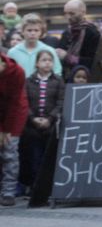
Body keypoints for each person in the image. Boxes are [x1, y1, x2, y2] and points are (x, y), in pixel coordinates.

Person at [19, 51, 64, 195]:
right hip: (32, 127)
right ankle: (34, 187)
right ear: (37, 63)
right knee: (33, 157)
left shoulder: (58, 81)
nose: (47, 63)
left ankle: (48, 187)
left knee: (49, 158)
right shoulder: (28, 81)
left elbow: (61, 102)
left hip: (51, 126)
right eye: (44, 60)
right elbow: (24, 101)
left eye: (50, 60)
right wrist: (33, 118)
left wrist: (49, 119)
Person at [0, 53, 28, 206]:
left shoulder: (17, 72)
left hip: (15, 112)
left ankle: (8, 191)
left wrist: (6, 130)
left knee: (9, 151)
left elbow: (15, 102)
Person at [56, 0, 101, 79]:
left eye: (72, 13)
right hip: (65, 77)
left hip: (84, 78)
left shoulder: (92, 33)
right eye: (65, 13)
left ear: (83, 12)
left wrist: (67, 57)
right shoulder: (67, 33)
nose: (68, 17)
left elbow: (93, 62)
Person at [7, 13, 63, 77]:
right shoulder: (13, 52)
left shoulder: (49, 50)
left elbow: (57, 73)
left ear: (41, 32)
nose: (33, 33)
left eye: (36, 30)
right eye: (29, 30)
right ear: (22, 32)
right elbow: (8, 74)